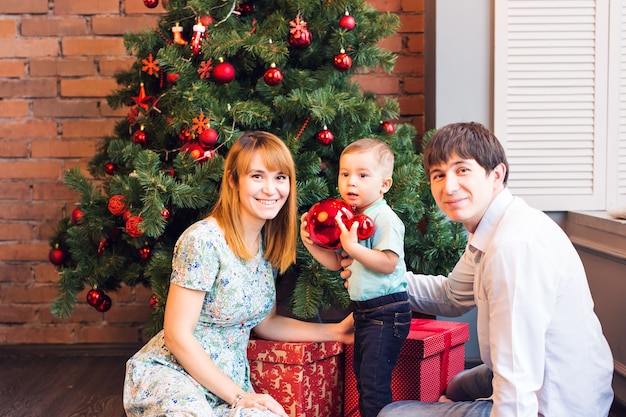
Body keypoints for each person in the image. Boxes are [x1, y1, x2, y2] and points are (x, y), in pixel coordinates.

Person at [341, 122, 614, 417]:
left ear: (496, 174)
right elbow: (451, 295)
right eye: (439, 175)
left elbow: (517, 377)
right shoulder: (494, 226)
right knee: (458, 386)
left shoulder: (512, 248)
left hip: (556, 403)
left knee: (390, 415)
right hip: (554, 372)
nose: (449, 186)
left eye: (462, 170)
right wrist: (381, 277)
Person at [123, 131, 355, 417]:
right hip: (175, 377)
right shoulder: (203, 240)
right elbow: (176, 335)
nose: (271, 189)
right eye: (257, 176)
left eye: (280, 177)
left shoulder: (264, 247)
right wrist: (239, 395)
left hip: (229, 385)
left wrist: (335, 332)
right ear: (233, 180)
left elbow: (266, 324)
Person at [301, 138, 411, 417]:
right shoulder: (349, 217)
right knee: (364, 380)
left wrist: (353, 247)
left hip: (387, 311)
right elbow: (338, 262)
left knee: (374, 385)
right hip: (364, 313)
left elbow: (388, 263)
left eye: (363, 175)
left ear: (384, 185)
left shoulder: (384, 218)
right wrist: (312, 244)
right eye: (345, 173)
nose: (351, 182)